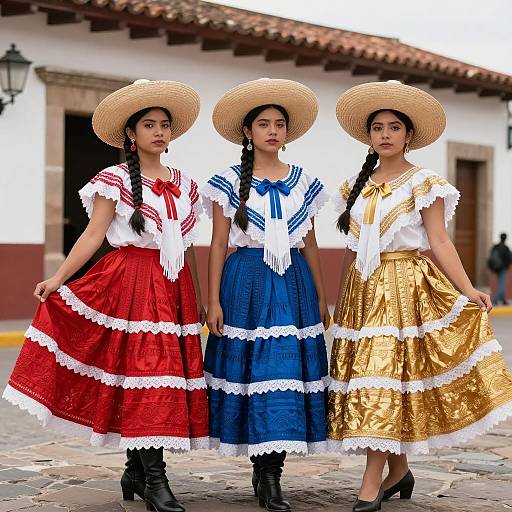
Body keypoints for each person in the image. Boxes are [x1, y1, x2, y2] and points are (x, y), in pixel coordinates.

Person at [2, 79, 209, 512]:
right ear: (131, 135)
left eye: (164, 125)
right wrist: (57, 278)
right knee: (142, 373)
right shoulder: (113, 181)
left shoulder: (186, 185)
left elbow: (184, 248)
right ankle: (154, 478)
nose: (158, 131)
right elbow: (94, 234)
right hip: (129, 284)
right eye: (148, 124)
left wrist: (200, 300)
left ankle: (137, 469)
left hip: (173, 289)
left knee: (159, 378)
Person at [327, 80, 512, 512]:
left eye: (395, 127)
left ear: (409, 135)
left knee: (389, 380)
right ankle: (399, 471)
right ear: (368, 136)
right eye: (378, 127)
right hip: (361, 291)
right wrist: (338, 307)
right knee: (383, 382)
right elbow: (354, 251)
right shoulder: (353, 185)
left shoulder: (424, 182)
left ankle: (371, 483)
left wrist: (468, 289)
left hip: (406, 288)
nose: (386, 134)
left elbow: (439, 241)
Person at [202, 78, 331, 512]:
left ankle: (272, 472)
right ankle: (260, 464)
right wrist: (214, 300)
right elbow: (219, 244)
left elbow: (310, 243)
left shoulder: (304, 182)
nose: (272, 131)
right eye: (263, 123)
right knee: (252, 373)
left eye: (279, 124)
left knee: (284, 372)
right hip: (245, 281)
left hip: (292, 283)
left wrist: (320, 293)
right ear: (248, 132)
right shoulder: (226, 182)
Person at [489, 233, 511, 305]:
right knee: (502, 285)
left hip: (496, 269)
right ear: (505, 239)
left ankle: (504, 301)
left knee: (501, 284)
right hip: (503, 269)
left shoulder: (495, 247)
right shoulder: (506, 248)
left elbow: (490, 258)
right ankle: (495, 299)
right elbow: (510, 258)